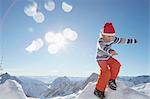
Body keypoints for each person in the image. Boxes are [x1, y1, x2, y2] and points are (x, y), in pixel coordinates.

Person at [94, 22, 137, 99]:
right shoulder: (100, 41)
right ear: (103, 35)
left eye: (112, 36)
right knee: (106, 72)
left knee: (117, 65)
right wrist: (110, 51)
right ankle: (98, 90)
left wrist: (132, 41)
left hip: (108, 57)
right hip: (101, 59)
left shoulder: (113, 39)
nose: (111, 38)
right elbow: (103, 48)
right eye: (108, 36)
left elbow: (121, 40)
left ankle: (111, 80)